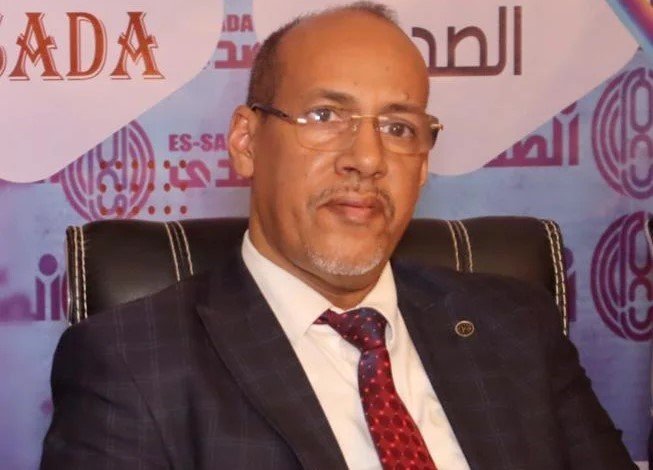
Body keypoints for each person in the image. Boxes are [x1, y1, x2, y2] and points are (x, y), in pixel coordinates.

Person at [40, 2, 634, 469]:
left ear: (422, 166)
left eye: (398, 128)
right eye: (325, 117)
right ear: (246, 142)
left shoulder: (516, 326)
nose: (368, 159)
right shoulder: (133, 364)